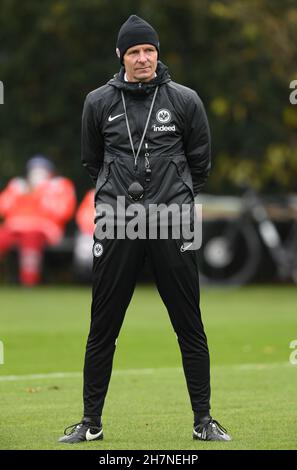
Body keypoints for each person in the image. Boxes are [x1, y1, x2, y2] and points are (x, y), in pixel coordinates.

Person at [59, 15, 231, 443]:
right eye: (134, 52)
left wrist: (169, 198)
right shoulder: (97, 101)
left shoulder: (185, 100)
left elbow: (200, 165)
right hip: (117, 221)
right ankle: (90, 423)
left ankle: (204, 420)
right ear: (121, 56)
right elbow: (91, 162)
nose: (143, 59)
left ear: (158, 54)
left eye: (149, 51)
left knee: (189, 324)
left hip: (173, 221)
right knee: (103, 327)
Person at [0, 155, 76, 286]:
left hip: (43, 229)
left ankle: (29, 282)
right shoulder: (18, 185)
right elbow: (3, 207)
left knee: (31, 238)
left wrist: (42, 193)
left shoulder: (60, 186)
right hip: (15, 226)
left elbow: (64, 211)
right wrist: (19, 194)